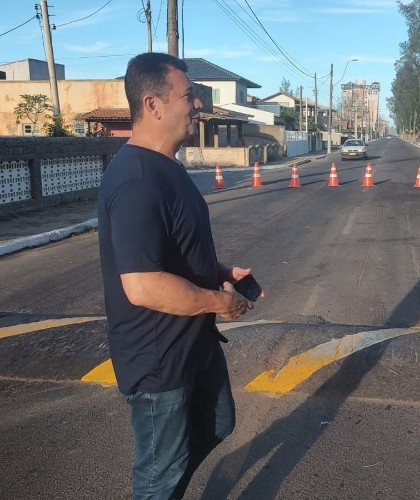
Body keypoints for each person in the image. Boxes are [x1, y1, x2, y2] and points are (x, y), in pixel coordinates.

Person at [98, 52, 259, 499]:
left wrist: (221, 271)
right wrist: (220, 301)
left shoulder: (168, 168)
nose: (198, 106)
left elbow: (172, 249)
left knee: (217, 423)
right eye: (189, 96)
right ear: (153, 105)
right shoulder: (136, 181)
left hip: (194, 344)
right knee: (158, 474)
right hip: (159, 361)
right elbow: (143, 283)